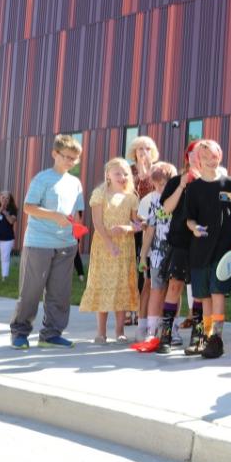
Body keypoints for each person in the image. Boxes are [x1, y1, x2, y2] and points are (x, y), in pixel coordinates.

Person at [10, 134, 84, 349]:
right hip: (39, 243)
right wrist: (54, 215)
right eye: (67, 157)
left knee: (60, 293)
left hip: (66, 245)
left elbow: (77, 214)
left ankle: (51, 334)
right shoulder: (42, 178)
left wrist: (77, 237)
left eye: (74, 158)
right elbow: (28, 207)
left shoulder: (75, 182)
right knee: (31, 291)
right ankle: (20, 333)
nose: (70, 162)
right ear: (54, 154)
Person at [184, 140, 231, 359]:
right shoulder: (194, 188)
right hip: (200, 249)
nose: (210, 159)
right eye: (205, 156)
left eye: (214, 155)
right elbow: (188, 219)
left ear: (220, 156)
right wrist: (194, 229)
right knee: (204, 296)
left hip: (223, 249)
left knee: (218, 292)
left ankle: (217, 339)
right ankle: (207, 337)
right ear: (198, 159)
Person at [80, 158, 141, 343]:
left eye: (125, 174)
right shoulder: (100, 194)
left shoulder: (131, 196)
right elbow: (97, 223)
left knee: (121, 287)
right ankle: (101, 332)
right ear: (108, 174)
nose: (122, 177)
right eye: (117, 173)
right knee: (104, 286)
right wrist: (109, 243)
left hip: (124, 247)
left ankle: (120, 331)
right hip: (104, 247)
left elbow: (139, 224)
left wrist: (127, 229)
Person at [137, 162, 178, 347]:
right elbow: (150, 229)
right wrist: (143, 254)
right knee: (156, 289)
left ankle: (172, 330)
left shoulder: (180, 198)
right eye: (158, 184)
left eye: (165, 183)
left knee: (174, 290)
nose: (161, 187)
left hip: (177, 251)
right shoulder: (152, 200)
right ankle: (152, 331)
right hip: (157, 254)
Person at [127, 136, 160, 327]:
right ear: (134, 151)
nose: (143, 151)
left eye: (147, 148)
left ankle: (146, 313)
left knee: (147, 271)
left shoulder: (158, 170)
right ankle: (133, 311)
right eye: (139, 148)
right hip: (132, 227)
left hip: (153, 228)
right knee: (133, 271)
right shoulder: (129, 172)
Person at [0, 191, 18, 280]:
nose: (5, 200)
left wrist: (5, 212)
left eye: (7, 198)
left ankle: (4, 277)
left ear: (10, 199)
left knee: (5, 258)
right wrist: (0, 210)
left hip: (7, 239)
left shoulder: (13, 209)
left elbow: (11, 221)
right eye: (3, 198)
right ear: (0, 198)